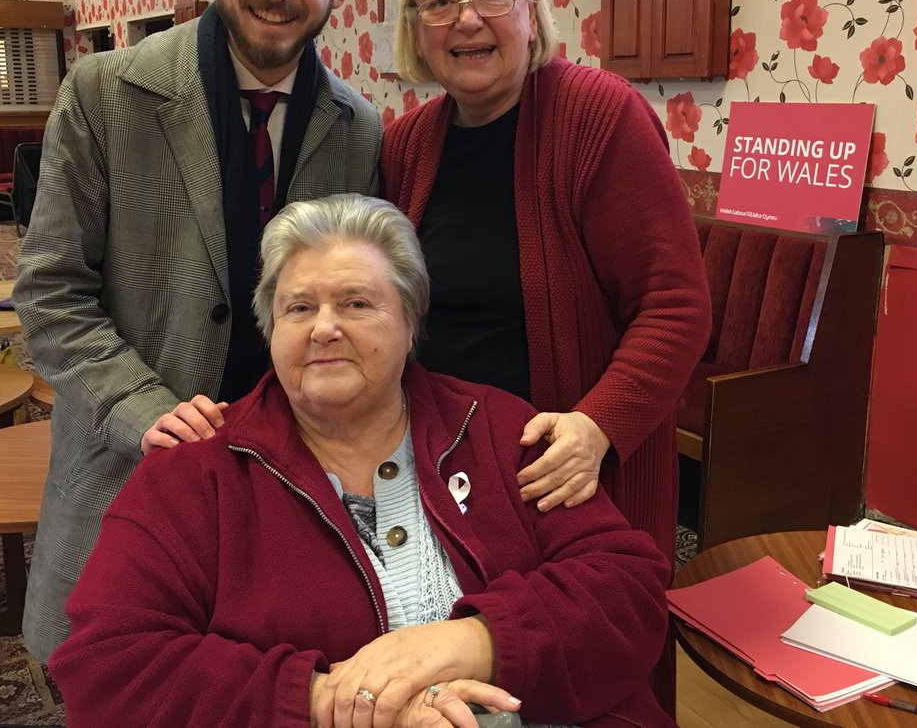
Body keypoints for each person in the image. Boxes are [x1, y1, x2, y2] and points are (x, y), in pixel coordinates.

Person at [49, 193, 675, 728]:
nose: (324, 328)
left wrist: (472, 641)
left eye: (356, 303)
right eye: (299, 308)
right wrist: (326, 701)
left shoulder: (499, 428)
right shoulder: (195, 471)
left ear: (410, 324)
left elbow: (628, 588)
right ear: (271, 331)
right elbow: (107, 668)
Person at [13, 0, 382, 660]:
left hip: (285, 487)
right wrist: (144, 411)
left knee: (264, 683)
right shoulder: (104, 93)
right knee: (114, 682)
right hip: (127, 471)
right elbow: (48, 292)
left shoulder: (359, 127)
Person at [382, 0, 711, 565]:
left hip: (572, 481)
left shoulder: (599, 118)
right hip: (445, 482)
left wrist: (596, 428)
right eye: (439, 3)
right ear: (416, 30)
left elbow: (675, 307)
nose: (467, 19)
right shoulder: (405, 147)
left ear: (531, 11)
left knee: (583, 661)